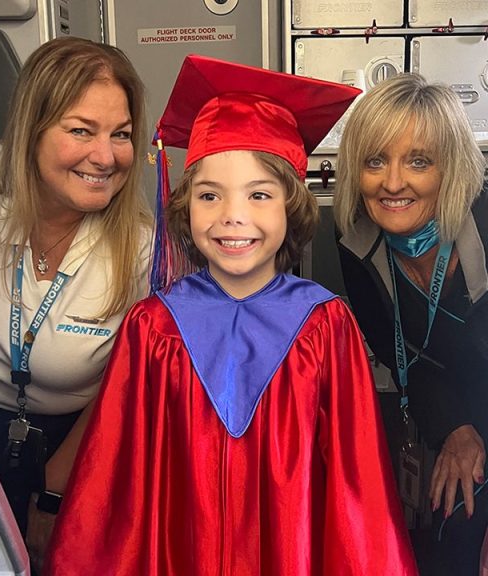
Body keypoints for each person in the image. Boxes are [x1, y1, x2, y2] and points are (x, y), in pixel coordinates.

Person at [46, 55, 417, 575]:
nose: (232, 215)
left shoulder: (325, 326)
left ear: (291, 206)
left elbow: (359, 493)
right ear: (184, 207)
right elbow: (114, 487)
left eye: (259, 194)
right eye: (209, 195)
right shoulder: (153, 328)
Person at [0, 36, 152, 569]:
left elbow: (122, 389)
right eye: (80, 130)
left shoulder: (139, 249)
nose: (105, 157)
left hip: (71, 445)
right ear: (32, 131)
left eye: (120, 135)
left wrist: (54, 495)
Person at [334, 72, 488, 575]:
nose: (393, 182)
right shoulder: (359, 247)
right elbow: (411, 362)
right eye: (375, 160)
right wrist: (456, 428)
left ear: (451, 168)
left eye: (418, 161)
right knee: (447, 534)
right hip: (457, 414)